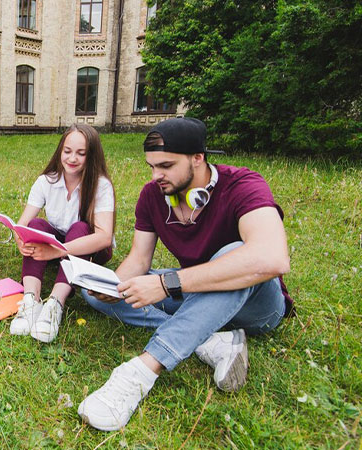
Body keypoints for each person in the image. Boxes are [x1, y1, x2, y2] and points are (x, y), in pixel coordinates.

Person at [77, 117, 293, 431]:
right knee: (100, 292)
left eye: (165, 165)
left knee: (233, 254)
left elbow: (271, 257)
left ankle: (138, 373)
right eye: (151, 166)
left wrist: (167, 284)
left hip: (258, 306)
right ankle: (211, 343)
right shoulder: (153, 195)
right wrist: (113, 286)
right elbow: (139, 258)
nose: (156, 176)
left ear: (197, 158)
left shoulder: (244, 184)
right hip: (195, 291)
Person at [9, 124, 115, 343]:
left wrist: (56, 251)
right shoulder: (46, 181)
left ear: (91, 156)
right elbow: (23, 223)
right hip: (58, 243)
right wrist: (20, 239)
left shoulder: (101, 185)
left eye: (81, 153)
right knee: (36, 224)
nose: (72, 158)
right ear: (60, 151)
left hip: (90, 248)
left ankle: (55, 304)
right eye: (67, 151)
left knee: (80, 228)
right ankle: (31, 299)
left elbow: (104, 237)